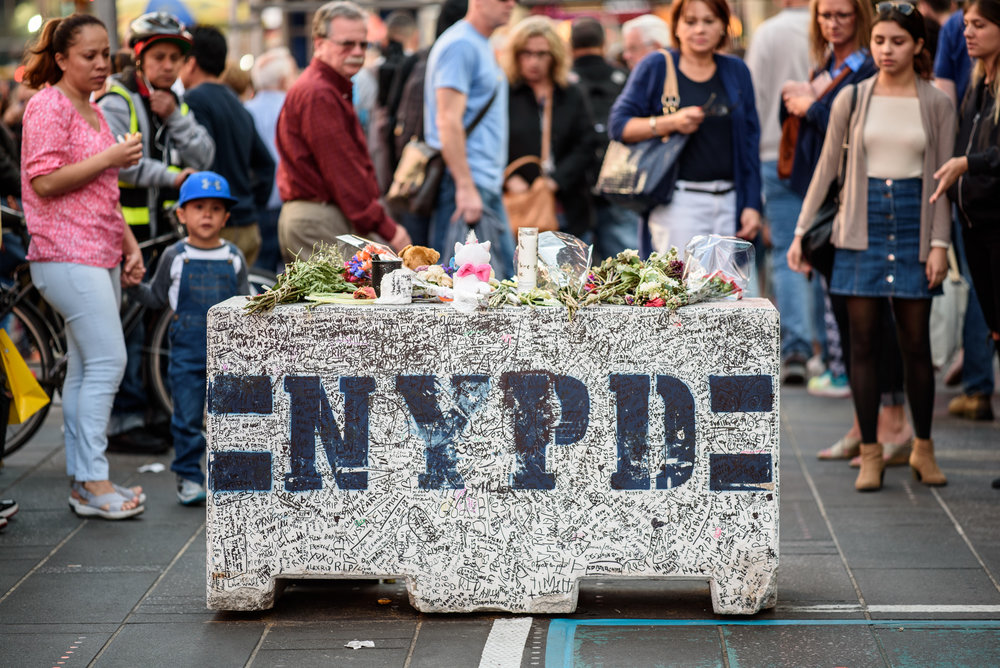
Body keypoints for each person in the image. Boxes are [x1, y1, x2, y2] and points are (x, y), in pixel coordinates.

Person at [790, 2, 955, 491]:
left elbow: (943, 181)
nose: (886, 50)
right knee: (860, 344)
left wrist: (940, 243)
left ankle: (922, 447)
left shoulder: (936, 103)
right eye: (880, 41)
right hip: (857, 227)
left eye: (898, 42)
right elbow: (825, 171)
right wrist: (800, 234)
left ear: (919, 46)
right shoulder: (852, 98)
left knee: (914, 344)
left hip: (915, 224)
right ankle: (870, 452)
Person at [20, 14, 145, 519]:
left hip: (96, 251)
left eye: (105, 54)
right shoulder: (47, 105)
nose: (101, 64)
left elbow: (101, 192)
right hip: (65, 253)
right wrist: (111, 156)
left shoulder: (92, 108)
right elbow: (44, 182)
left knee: (86, 369)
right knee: (109, 363)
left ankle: (83, 481)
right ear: (61, 59)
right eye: (89, 55)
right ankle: (94, 480)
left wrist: (129, 243)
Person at [98, 11, 216, 454]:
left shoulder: (172, 100)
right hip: (125, 231)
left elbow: (204, 154)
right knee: (127, 325)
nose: (169, 66)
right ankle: (125, 420)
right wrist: (173, 177)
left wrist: (176, 117)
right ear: (141, 58)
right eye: (160, 57)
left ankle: (151, 413)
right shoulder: (119, 98)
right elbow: (118, 164)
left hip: (161, 235)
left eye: (176, 58)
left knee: (153, 325)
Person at [128, 172, 249, 505]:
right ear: (182, 214)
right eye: (198, 207)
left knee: (231, 416)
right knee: (186, 416)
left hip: (229, 352)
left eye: (215, 208)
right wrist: (131, 287)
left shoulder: (233, 257)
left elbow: (244, 304)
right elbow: (155, 297)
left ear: (226, 217)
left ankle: (228, 472)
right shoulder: (175, 256)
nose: (206, 214)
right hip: (186, 351)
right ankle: (189, 476)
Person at [608, 0, 763, 258]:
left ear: (724, 26)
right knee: (679, 288)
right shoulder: (657, 65)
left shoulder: (736, 70)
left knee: (728, 292)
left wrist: (751, 204)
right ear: (677, 27)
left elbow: (750, 142)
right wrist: (671, 122)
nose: (699, 30)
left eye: (709, 21)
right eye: (690, 22)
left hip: (729, 202)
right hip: (678, 203)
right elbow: (619, 125)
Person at [276, 1, 410, 264]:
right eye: (347, 44)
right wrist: (389, 229)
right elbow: (344, 174)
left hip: (322, 215)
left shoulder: (327, 88)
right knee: (351, 302)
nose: (357, 51)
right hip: (318, 217)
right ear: (320, 43)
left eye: (363, 44)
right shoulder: (319, 93)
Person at [931, 0, 1000, 455]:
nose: (966, 33)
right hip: (974, 225)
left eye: (978, 24)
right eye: (965, 24)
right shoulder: (978, 82)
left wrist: (967, 163)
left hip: (996, 225)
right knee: (994, 327)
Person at [746, 0, 820, 387]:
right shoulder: (831, 27)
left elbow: (755, 100)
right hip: (824, 153)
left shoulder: (768, 33)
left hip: (777, 155)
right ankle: (825, 348)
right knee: (824, 249)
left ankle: (796, 346)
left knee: (787, 251)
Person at [424, 0, 516, 275]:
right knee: (466, 289)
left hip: (477, 181)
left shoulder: (476, 42)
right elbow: (447, 119)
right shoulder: (461, 44)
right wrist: (465, 186)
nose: (511, 3)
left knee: (488, 286)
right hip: (467, 183)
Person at [180, 25, 275, 268]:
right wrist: (250, 204)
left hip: (215, 229)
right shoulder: (238, 103)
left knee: (213, 305)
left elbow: (201, 161)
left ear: (190, 63)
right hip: (247, 225)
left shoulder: (193, 101)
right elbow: (267, 164)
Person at [502, 16, 598, 240]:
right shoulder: (506, 93)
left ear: (554, 55)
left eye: (541, 54)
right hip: (520, 202)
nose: (533, 61)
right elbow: (491, 142)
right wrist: (508, 177)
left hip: (568, 202)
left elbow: (587, 142)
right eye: (526, 53)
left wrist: (557, 180)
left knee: (571, 271)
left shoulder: (571, 92)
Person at [570, 16, 639, 260]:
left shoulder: (565, 82)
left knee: (574, 269)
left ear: (571, 44)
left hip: (574, 184)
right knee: (625, 264)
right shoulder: (624, 78)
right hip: (619, 180)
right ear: (603, 42)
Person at [245, 47, 298, 274]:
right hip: (290, 204)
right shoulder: (294, 108)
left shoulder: (246, 110)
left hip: (259, 203)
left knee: (261, 277)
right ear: (285, 79)